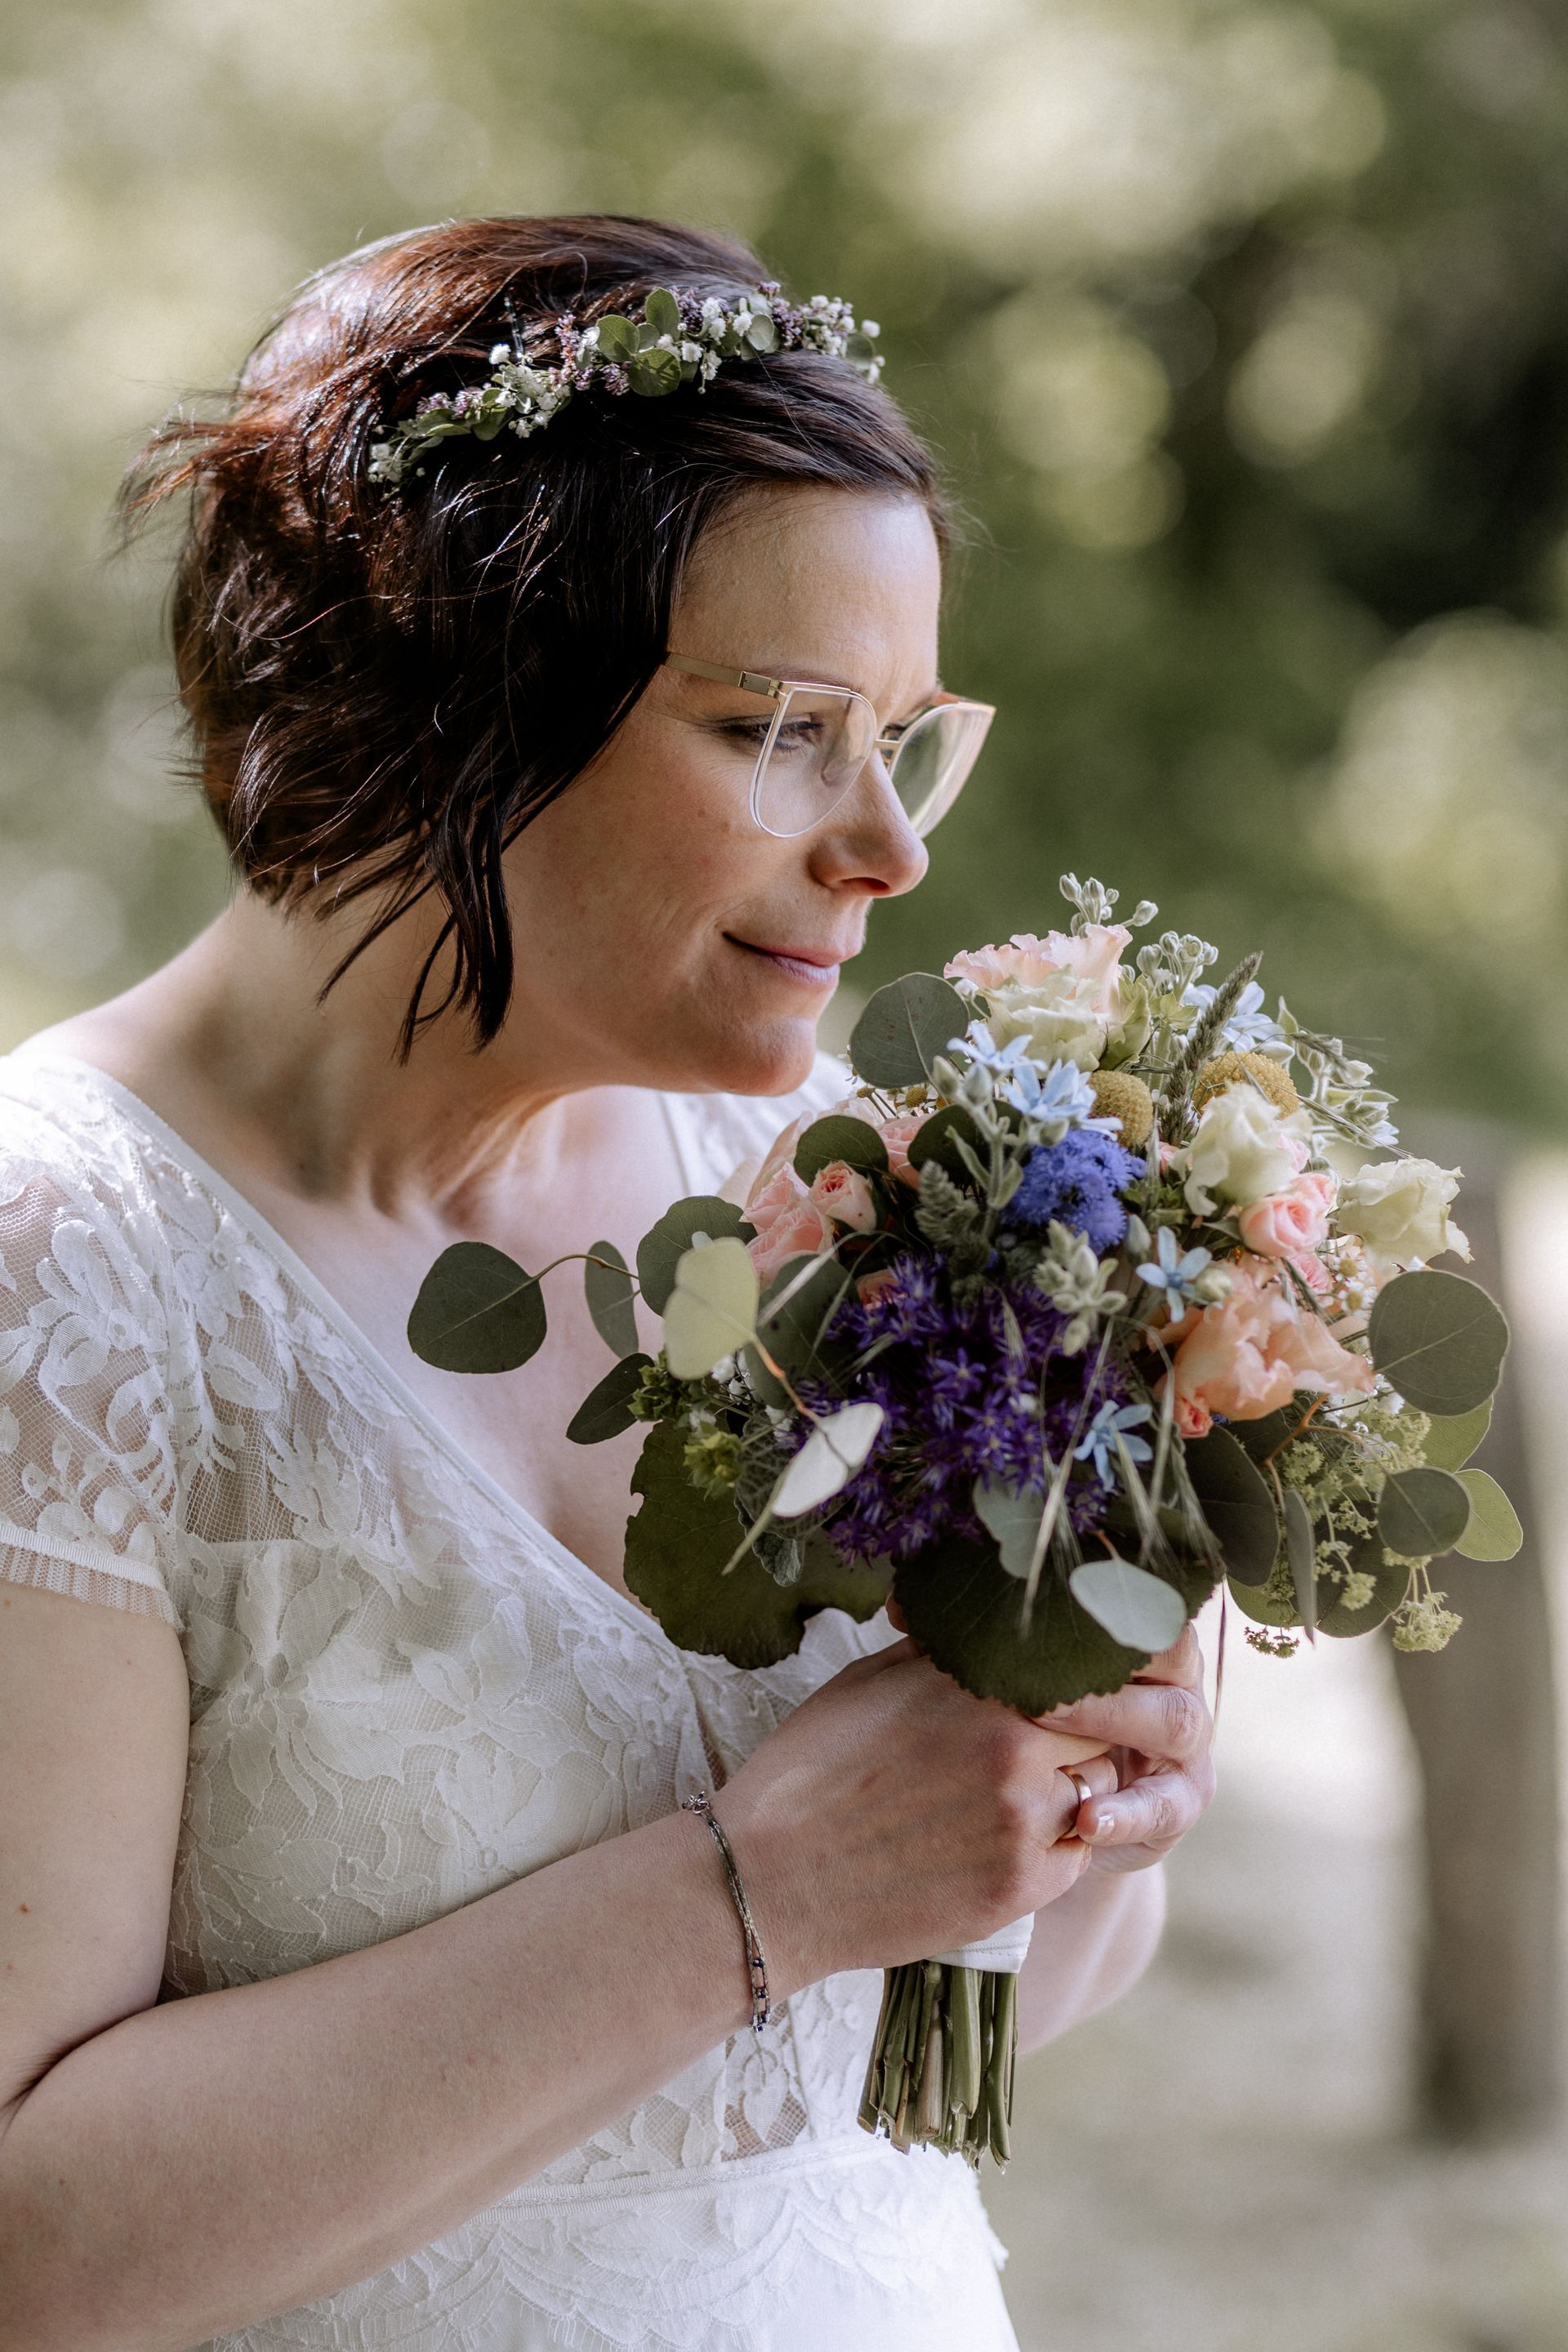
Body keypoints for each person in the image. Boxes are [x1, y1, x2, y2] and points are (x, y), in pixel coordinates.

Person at [0, 216, 1215, 2352]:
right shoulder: (65, 1272)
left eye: (907, 736)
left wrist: (1100, 1783)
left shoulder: (859, 1188)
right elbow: (29, 2248)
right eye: (781, 727)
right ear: (454, 686)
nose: (889, 847)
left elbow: (942, 2043)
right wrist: (756, 1892)